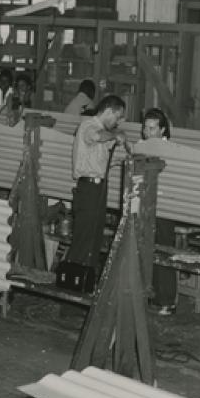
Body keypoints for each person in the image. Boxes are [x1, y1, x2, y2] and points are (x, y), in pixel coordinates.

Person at [66, 95, 129, 273]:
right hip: (88, 189)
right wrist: (116, 135)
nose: (118, 122)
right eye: (118, 117)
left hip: (99, 188)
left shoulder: (104, 132)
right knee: (84, 236)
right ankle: (74, 276)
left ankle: (87, 276)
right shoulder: (89, 125)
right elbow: (95, 136)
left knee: (94, 236)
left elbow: (102, 159)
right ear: (108, 111)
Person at [134, 108, 177, 314]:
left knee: (164, 251)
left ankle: (167, 300)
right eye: (145, 127)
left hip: (164, 207)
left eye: (152, 128)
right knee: (144, 250)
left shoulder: (171, 151)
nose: (147, 132)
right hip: (145, 205)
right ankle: (149, 294)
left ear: (162, 130)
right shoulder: (141, 147)